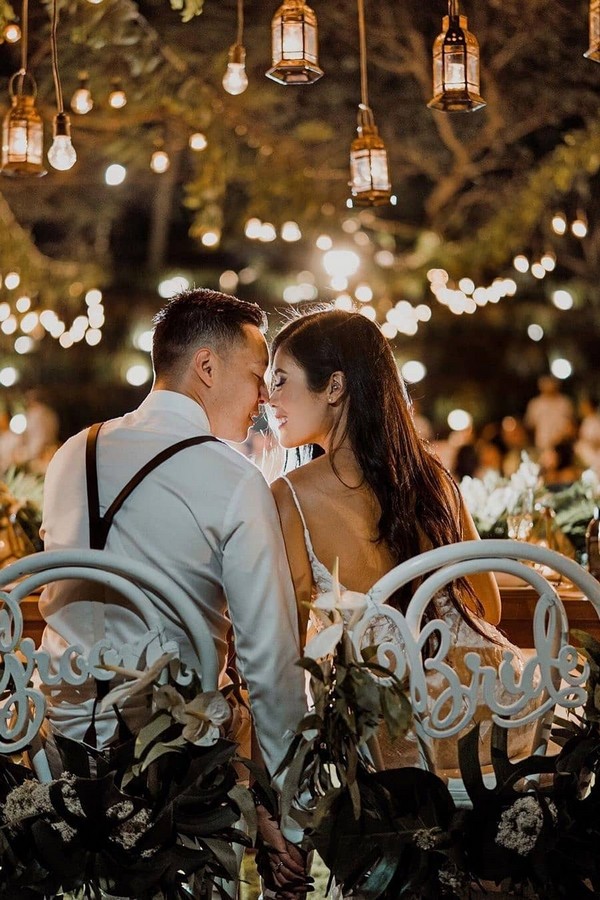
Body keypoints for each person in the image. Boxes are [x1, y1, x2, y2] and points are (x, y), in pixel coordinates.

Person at [40, 288, 310, 898]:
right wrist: (285, 812)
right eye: (254, 376)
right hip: (173, 773)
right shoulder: (233, 478)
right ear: (206, 368)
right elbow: (269, 662)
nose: (264, 397)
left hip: (55, 752)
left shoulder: (69, 454)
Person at [268, 309, 537, 773]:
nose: (267, 398)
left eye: (279, 380)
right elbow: (487, 608)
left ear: (334, 387)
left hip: (394, 745)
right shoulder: (431, 478)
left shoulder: (289, 495)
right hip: (495, 724)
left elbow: (286, 650)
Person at [524, 374, 576, 452]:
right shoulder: (535, 404)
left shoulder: (564, 402)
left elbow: (571, 424)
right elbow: (530, 425)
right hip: (542, 445)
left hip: (562, 445)